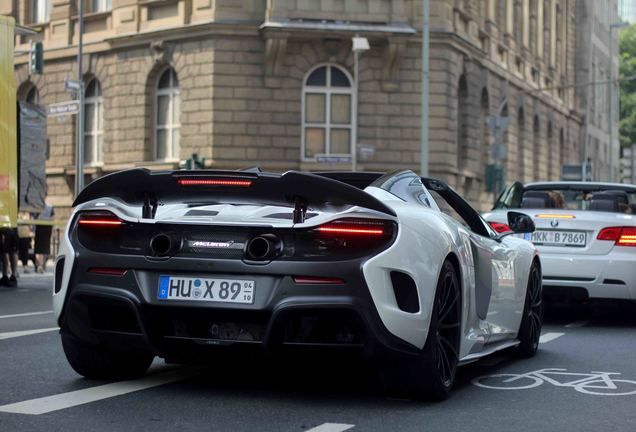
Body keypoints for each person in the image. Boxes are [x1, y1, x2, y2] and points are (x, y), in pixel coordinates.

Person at [34, 203, 54, 273]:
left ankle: (39, 266)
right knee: (45, 248)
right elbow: (52, 218)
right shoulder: (50, 207)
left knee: (38, 248)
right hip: (47, 227)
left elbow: (34, 217)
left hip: (40, 227)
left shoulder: (37, 206)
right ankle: (42, 266)